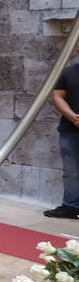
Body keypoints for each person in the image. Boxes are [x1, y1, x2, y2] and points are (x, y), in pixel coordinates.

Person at [46, 49, 79, 218]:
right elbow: (57, 96)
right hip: (70, 130)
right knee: (71, 170)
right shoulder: (68, 73)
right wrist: (73, 118)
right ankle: (71, 207)